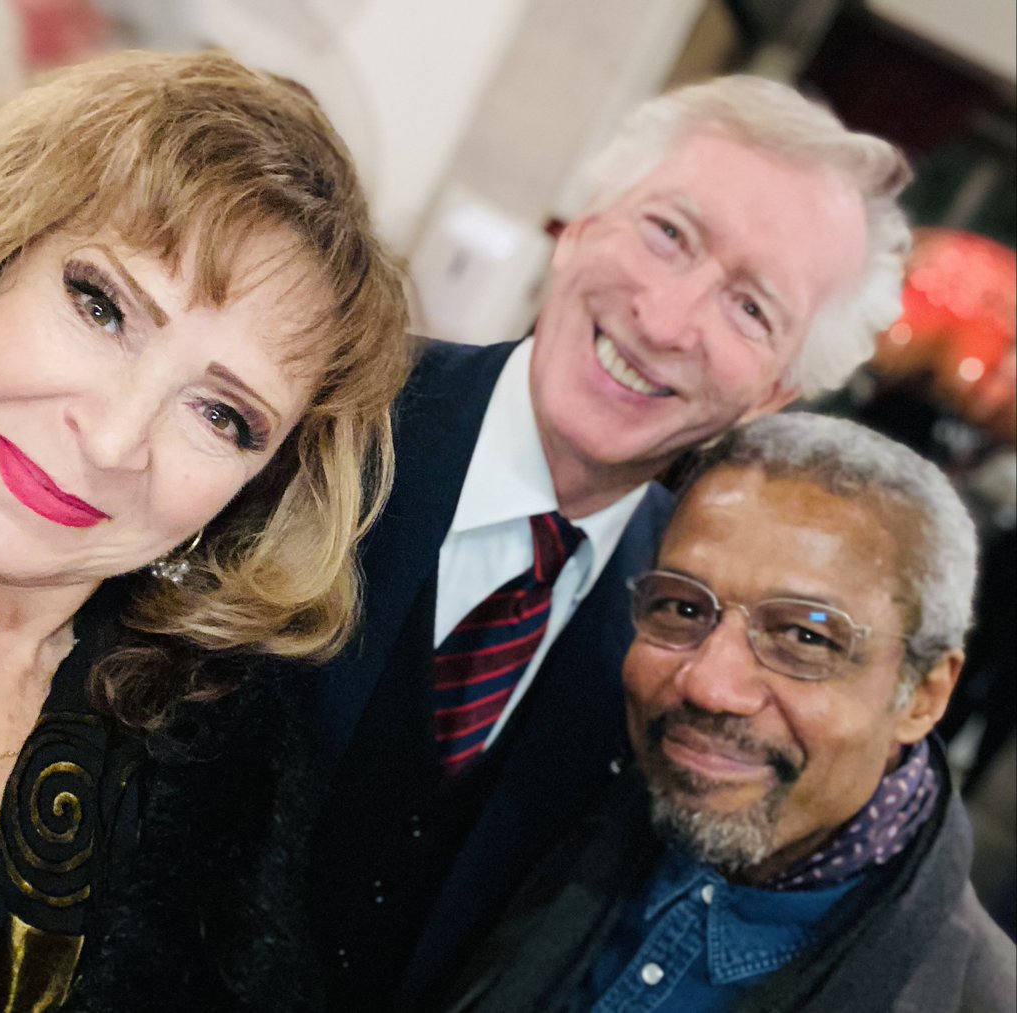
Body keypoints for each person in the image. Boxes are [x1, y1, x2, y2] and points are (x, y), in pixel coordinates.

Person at [305, 75, 915, 1010]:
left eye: (752, 308)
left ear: (775, 397)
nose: (668, 321)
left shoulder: (692, 657)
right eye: (668, 232)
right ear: (581, 224)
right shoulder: (319, 417)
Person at [0, 49, 409, 1013]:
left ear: (255, 491)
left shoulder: (214, 767)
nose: (111, 437)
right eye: (101, 306)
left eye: (222, 415)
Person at [440, 412, 1017, 1013]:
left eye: (806, 637)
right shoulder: (534, 798)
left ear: (922, 695)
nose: (710, 685)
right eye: (682, 609)